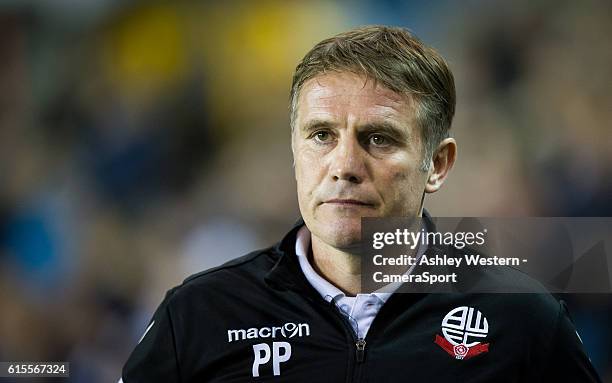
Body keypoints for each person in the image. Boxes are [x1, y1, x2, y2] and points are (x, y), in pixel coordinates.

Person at [120, 26, 601, 382]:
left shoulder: (523, 320)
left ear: (437, 164)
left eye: (378, 138)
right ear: (293, 149)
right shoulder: (198, 317)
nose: (344, 164)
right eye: (321, 136)